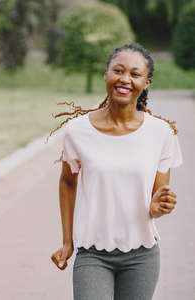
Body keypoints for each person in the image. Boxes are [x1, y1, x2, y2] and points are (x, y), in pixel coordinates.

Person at [49, 44, 182, 300]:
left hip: (142, 255)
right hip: (92, 253)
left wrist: (158, 207)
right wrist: (68, 242)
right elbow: (67, 182)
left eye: (135, 74)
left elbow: (157, 200)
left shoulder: (161, 133)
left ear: (146, 82)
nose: (125, 79)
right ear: (106, 75)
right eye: (118, 71)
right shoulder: (77, 131)